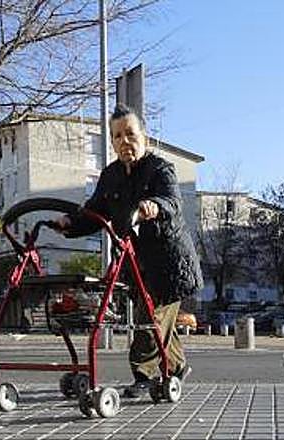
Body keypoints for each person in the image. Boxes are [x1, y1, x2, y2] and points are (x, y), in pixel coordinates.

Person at [55, 105, 202, 398]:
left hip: (169, 264)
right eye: (117, 136)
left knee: (151, 319)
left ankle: (143, 375)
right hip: (134, 263)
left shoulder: (160, 168)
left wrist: (154, 206)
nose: (125, 141)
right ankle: (177, 367)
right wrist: (70, 224)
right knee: (160, 324)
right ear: (112, 141)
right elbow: (95, 213)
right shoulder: (110, 175)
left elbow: (172, 201)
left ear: (144, 136)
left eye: (131, 134)